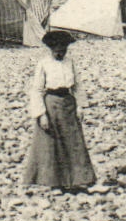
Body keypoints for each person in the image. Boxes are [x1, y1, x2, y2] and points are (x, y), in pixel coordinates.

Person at [23, 30, 97, 192]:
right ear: (51, 49)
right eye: (57, 50)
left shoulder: (70, 62)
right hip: (51, 104)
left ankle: (78, 179)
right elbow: (36, 90)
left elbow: (77, 85)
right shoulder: (43, 64)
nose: (60, 53)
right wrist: (41, 114)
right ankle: (52, 182)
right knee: (51, 143)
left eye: (63, 50)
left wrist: (80, 106)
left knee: (73, 142)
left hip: (68, 104)